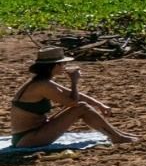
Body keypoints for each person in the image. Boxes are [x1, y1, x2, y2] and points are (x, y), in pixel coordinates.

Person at [9, 50, 138, 147]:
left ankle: (117, 135)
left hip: (37, 130)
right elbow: (73, 103)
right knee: (81, 108)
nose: (64, 66)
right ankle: (117, 137)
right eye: (62, 63)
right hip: (28, 138)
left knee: (83, 107)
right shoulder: (42, 85)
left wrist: (100, 105)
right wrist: (74, 81)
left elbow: (72, 94)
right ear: (54, 66)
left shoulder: (43, 81)